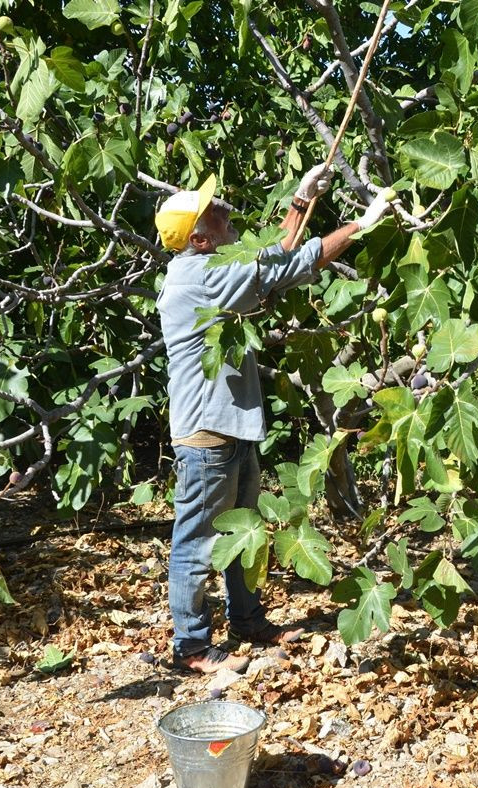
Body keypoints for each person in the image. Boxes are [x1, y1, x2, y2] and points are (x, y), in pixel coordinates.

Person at [153, 166, 394, 674]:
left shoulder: (211, 263)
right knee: (197, 542)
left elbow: (269, 255)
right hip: (207, 436)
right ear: (198, 239)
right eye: (211, 211)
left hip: (231, 429)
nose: (222, 208)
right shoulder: (201, 277)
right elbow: (285, 265)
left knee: (245, 533)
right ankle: (191, 647)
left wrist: (301, 200)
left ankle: (246, 621)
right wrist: (361, 226)